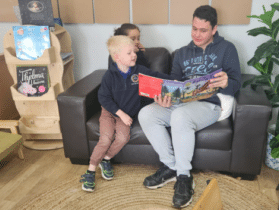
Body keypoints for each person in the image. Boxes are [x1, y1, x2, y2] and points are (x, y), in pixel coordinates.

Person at [138, 5, 241, 208]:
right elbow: (175, 83)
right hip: (182, 102)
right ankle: (170, 167)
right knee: (146, 113)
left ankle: (184, 177)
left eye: (203, 30)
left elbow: (237, 84)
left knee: (181, 117)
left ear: (214, 29)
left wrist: (227, 82)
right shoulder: (182, 53)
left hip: (209, 104)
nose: (197, 34)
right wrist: (165, 96)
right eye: (194, 28)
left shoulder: (227, 49)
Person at [80, 35, 171, 192]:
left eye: (134, 52)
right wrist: (120, 113)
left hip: (126, 113)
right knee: (106, 138)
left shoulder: (139, 72)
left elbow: (157, 77)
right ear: (117, 57)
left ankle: (106, 159)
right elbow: (103, 97)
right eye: (129, 53)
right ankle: (90, 171)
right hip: (110, 112)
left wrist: (176, 81)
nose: (134, 55)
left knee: (123, 137)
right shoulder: (109, 76)